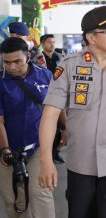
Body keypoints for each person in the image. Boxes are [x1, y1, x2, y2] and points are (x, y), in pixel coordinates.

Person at [38, 6, 106, 218]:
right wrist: (46, 160)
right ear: (91, 37)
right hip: (80, 165)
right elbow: (50, 114)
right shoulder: (69, 67)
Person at [0, 37, 56, 218]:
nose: (12, 67)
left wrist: (65, 127)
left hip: (38, 146)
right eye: (6, 62)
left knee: (41, 192)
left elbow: (55, 105)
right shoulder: (1, 82)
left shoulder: (45, 75)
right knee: (14, 200)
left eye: (17, 61)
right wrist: (5, 149)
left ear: (28, 57)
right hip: (7, 149)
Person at [40, 34, 66, 164]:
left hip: (59, 92)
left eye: (53, 42)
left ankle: (55, 153)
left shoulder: (59, 57)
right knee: (48, 125)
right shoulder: (38, 58)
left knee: (59, 128)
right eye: (49, 42)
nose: (52, 44)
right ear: (43, 44)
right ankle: (47, 154)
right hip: (44, 94)